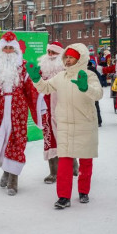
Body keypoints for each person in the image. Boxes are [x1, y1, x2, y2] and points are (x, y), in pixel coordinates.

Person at [27, 43, 103, 209]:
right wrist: (36, 79)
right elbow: (46, 88)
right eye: (66, 57)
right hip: (65, 125)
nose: (68, 60)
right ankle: (63, 196)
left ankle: (83, 191)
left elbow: (98, 94)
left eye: (71, 57)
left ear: (80, 58)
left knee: (85, 161)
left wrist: (85, 87)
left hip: (85, 124)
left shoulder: (89, 75)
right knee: (64, 162)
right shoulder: (60, 77)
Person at [0, 31, 45, 196]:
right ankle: (6, 169)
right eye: (4, 48)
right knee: (0, 140)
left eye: (10, 48)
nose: (7, 51)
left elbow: (32, 90)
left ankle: (13, 178)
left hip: (17, 109)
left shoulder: (24, 66)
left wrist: (40, 97)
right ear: (0, 49)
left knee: (16, 140)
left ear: (16, 50)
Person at [37, 41, 80, 184]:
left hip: (64, 109)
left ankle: (73, 165)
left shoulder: (69, 70)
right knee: (49, 140)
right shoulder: (41, 70)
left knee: (67, 137)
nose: (50, 56)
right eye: (48, 52)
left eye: (53, 53)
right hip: (46, 110)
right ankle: (53, 172)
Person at [88, 59, 103, 126]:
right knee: (96, 106)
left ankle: (90, 121)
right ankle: (99, 121)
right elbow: (99, 78)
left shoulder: (84, 71)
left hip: (87, 90)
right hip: (94, 89)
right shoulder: (95, 70)